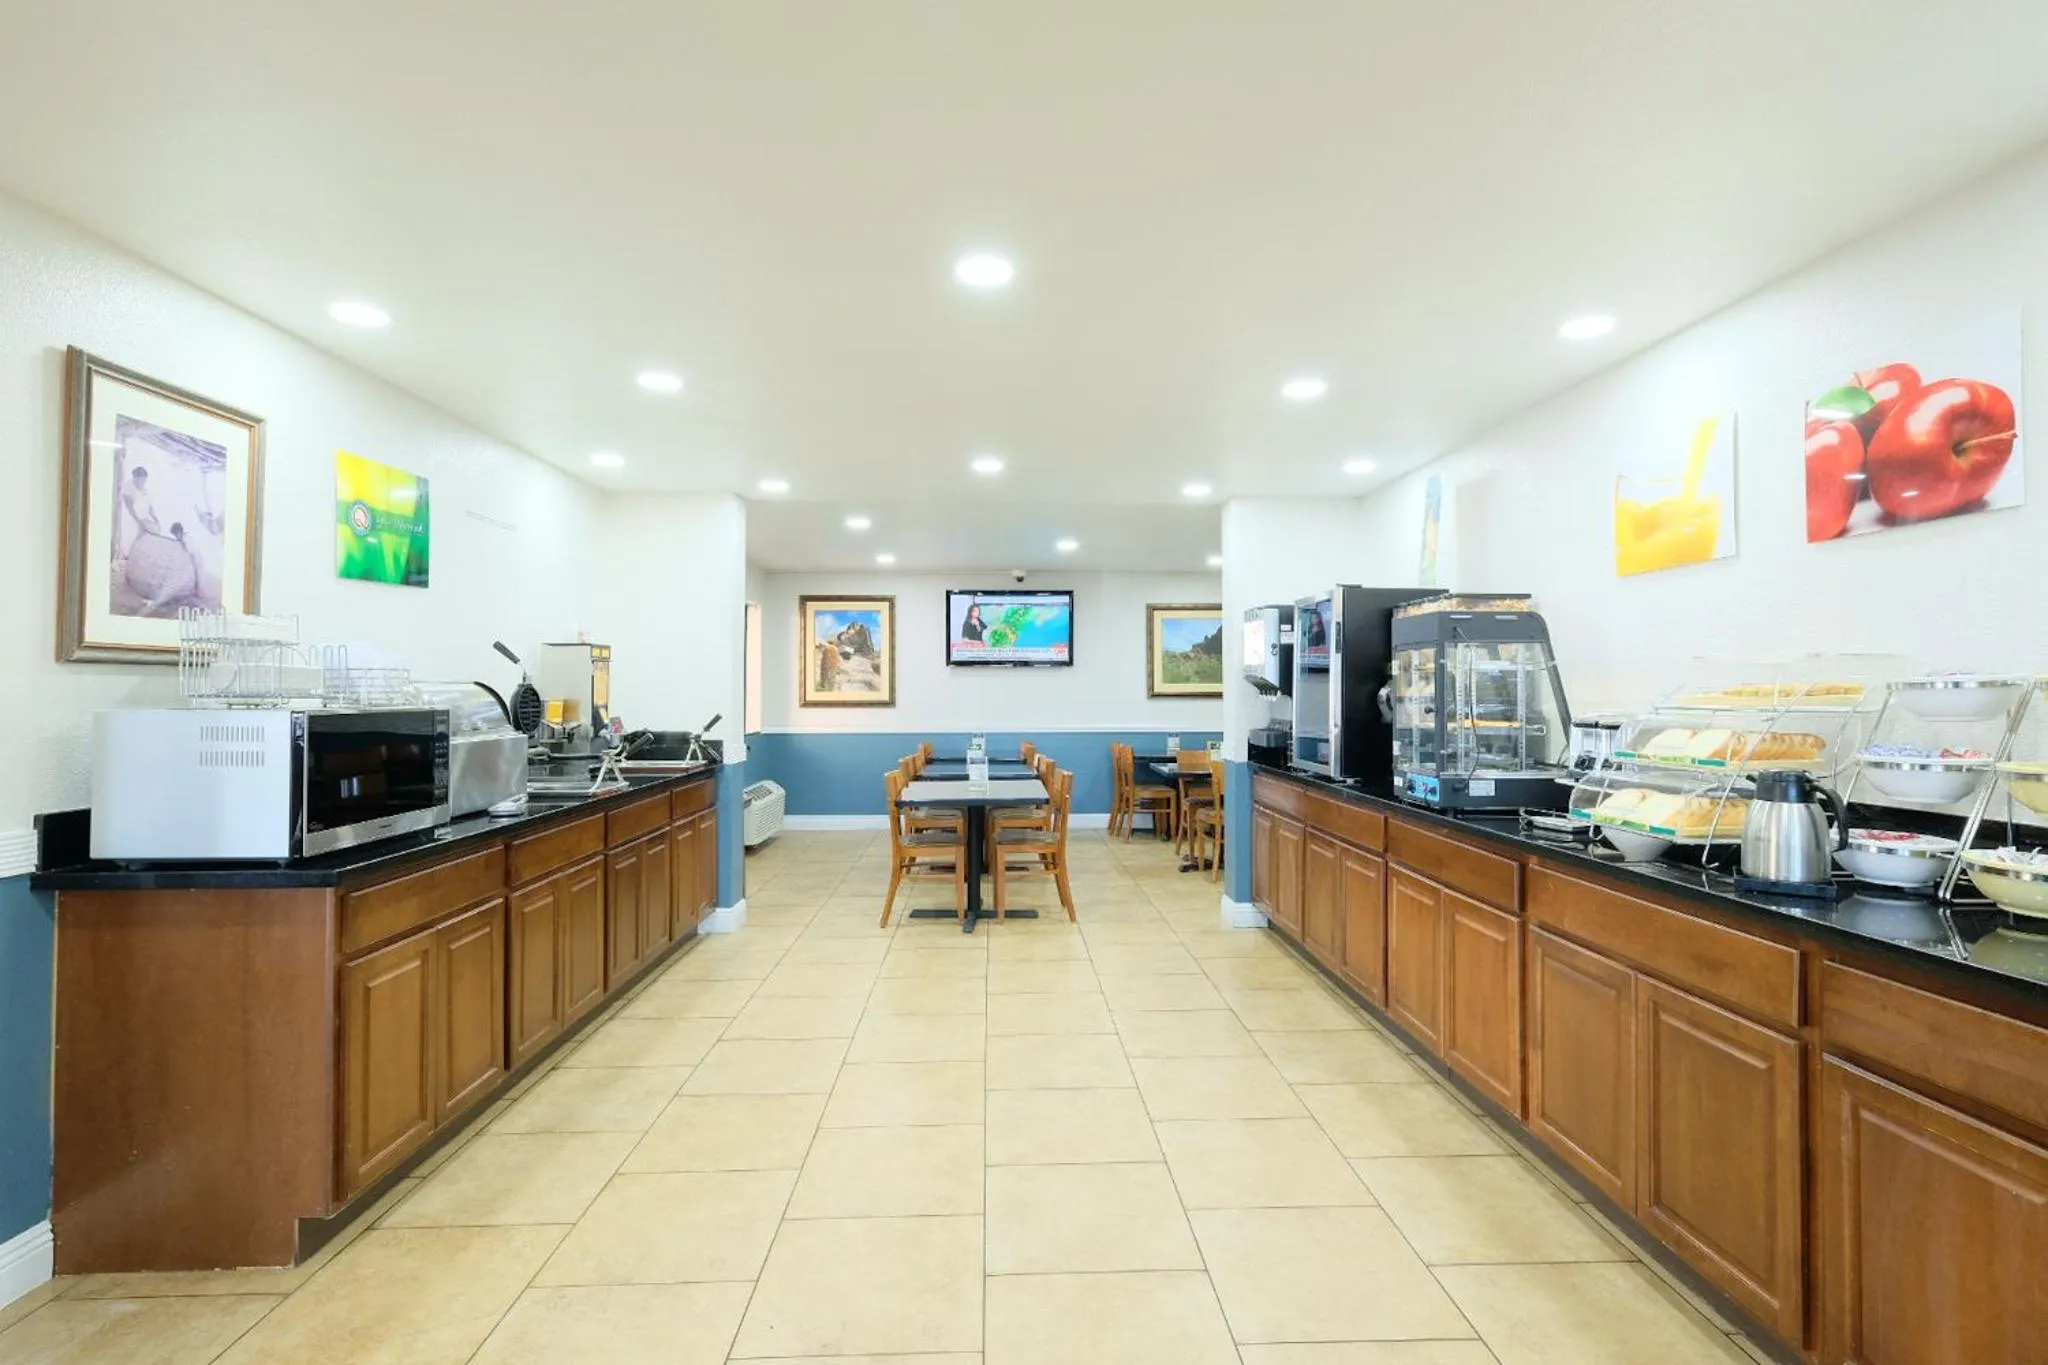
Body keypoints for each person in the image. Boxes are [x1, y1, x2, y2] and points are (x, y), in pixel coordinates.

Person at [117, 465, 159, 564]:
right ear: (135, 478)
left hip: (142, 520)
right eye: (141, 479)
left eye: (144, 480)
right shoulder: (128, 487)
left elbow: (150, 506)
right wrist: (138, 521)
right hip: (131, 519)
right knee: (128, 543)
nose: (143, 482)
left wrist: (155, 518)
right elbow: (129, 507)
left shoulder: (145, 488)